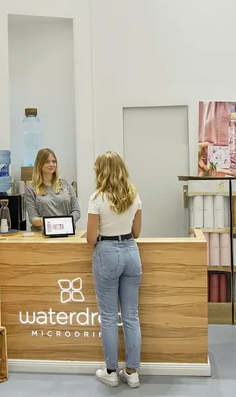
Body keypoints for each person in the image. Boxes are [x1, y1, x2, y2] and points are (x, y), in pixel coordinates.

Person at [86, 152, 143, 389]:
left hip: (107, 253)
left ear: (100, 171)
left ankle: (110, 372)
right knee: (131, 316)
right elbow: (136, 232)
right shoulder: (134, 194)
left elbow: (91, 238)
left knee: (109, 317)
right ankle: (132, 373)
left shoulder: (96, 198)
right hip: (131, 252)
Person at [24, 148, 81, 229]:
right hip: (42, 233)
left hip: (65, 231)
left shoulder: (66, 185)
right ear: (39, 164)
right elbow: (32, 218)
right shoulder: (31, 189)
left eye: (54, 161)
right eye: (47, 161)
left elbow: (76, 211)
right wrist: (51, 223)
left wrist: (64, 223)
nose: (51, 164)